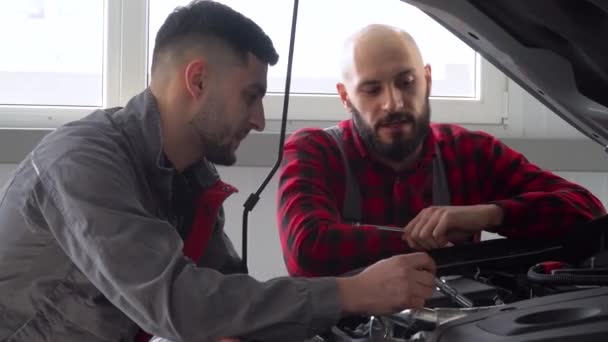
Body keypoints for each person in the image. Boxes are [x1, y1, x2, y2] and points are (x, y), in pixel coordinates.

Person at [0, 4, 438, 342]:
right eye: (251, 96)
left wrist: (351, 296)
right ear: (198, 81)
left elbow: (231, 298)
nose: (260, 120)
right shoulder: (82, 162)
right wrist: (353, 292)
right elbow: (179, 303)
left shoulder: (192, 178)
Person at [276, 23, 606, 278]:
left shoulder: (468, 152)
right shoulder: (314, 151)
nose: (394, 103)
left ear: (428, 80)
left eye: (406, 82)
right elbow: (306, 249)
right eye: (372, 89)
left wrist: (488, 213)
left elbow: (587, 212)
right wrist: (422, 239)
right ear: (345, 97)